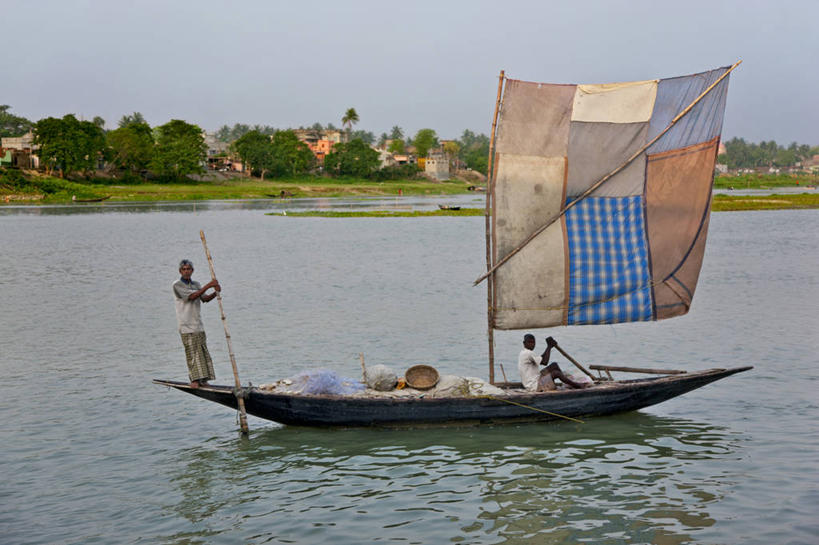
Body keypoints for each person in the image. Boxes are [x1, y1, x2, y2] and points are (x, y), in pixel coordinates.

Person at [173, 259, 221, 388]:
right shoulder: (177, 285)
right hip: (186, 325)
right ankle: (194, 380)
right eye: (184, 269)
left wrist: (216, 292)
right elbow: (192, 297)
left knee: (202, 352)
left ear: (192, 271)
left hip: (198, 324)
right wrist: (209, 285)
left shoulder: (196, 284)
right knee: (192, 352)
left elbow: (204, 298)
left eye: (189, 269)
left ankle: (203, 380)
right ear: (180, 271)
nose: (186, 271)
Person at [518, 334, 588, 391]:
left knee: (554, 365)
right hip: (534, 386)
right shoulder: (528, 353)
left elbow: (541, 359)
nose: (532, 344)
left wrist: (549, 347)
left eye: (533, 342)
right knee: (556, 373)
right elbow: (545, 362)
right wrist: (549, 346)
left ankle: (566, 382)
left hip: (536, 379)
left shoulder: (525, 352)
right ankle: (577, 385)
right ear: (524, 343)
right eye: (529, 342)